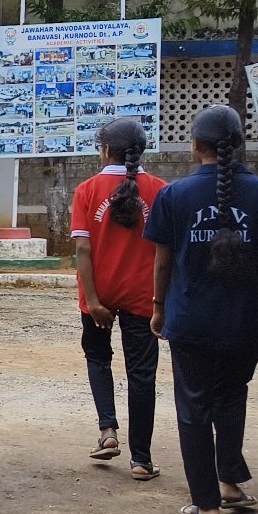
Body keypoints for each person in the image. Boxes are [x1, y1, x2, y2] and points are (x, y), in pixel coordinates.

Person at [145, 105, 258, 514]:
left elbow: (162, 263)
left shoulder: (175, 196)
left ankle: (207, 503)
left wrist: (159, 307)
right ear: (239, 143)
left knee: (193, 405)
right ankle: (230, 484)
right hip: (245, 321)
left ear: (195, 145)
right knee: (232, 397)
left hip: (191, 318)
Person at [70, 119, 167, 479]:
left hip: (99, 292)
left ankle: (108, 430)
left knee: (98, 358)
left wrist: (93, 299)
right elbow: (164, 251)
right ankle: (141, 460)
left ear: (105, 150)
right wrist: (162, 301)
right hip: (144, 296)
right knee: (142, 375)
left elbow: (83, 248)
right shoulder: (159, 190)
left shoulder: (88, 190)